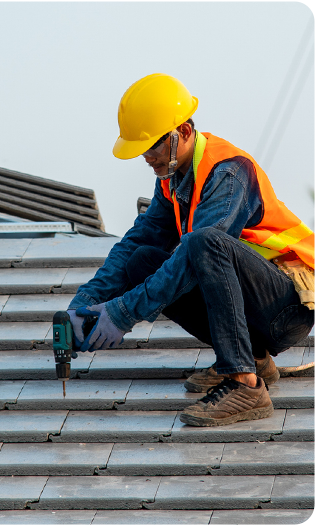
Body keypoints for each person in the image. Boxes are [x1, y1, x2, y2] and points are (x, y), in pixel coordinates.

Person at [68, 73, 315, 427]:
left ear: (182, 132)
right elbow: (136, 243)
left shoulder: (228, 173)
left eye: (153, 146)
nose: (147, 159)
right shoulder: (172, 179)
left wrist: (121, 313)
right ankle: (254, 357)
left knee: (202, 242)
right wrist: (84, 304)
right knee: (142, 261)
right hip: (257, 307)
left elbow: (193, 258)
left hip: (287, 308)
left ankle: (245, 382)